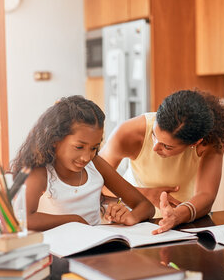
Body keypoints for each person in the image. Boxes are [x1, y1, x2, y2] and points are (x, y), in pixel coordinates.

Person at [10, 95, 154, 231]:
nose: (86, 157)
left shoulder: (96, 164)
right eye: (79, 147)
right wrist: (74, 220)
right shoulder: (41, 172)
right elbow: (23, 219)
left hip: (94, 249)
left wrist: (130, 216)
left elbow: (146, 206)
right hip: (58, 253)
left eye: (94, 148)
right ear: (55, 140)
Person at [99, 89, 224, 234]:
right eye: (154, 135)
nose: (156, 147)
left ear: (194, 143)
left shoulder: (210, 143)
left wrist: (177, 216)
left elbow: (206, 195)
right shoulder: (128, 132)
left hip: (184, 224)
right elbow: (95, 181)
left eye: (167, 146)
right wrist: (145, 195)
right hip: (135, 220)